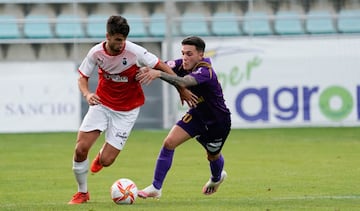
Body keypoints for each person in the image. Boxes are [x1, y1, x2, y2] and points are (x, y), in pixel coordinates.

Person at [68, 15, 197, 204]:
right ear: (108, 36)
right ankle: (82, 192)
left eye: (124, 40)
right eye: (118, 40)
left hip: (126, 111)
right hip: (101, 104)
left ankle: (102, 156)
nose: (122, 44)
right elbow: (82, 77)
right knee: (80, 149)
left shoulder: (135, 52)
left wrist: (181, 88)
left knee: (107, 161)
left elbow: (161, 66)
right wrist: (87, 94)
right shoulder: (96, 52)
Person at [136, 36, 231, 199]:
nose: (185, 58)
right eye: (183, 53)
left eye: (189, 54)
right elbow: (162, 65)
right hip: (197, 115)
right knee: (169, 142)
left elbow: (184, 81)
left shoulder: (205, 71)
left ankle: (217, 178)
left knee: (212, 155)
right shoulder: (182, 64)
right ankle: (156, 187)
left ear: (200, 55)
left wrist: (158, 73)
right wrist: (145, 67)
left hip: (218, 122)